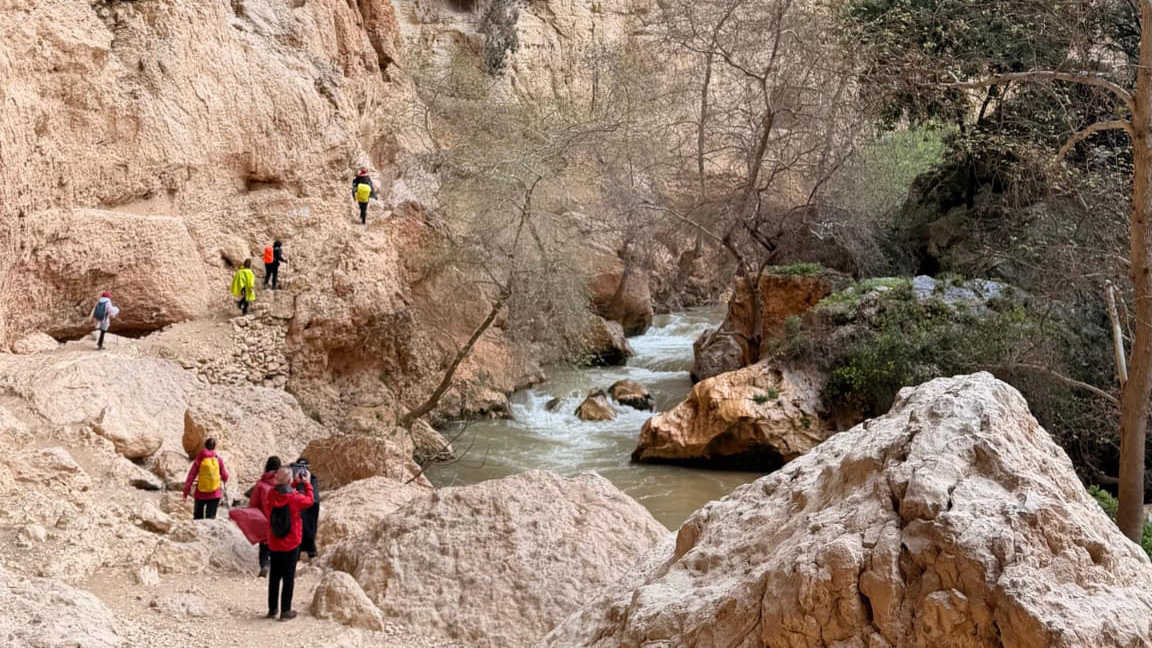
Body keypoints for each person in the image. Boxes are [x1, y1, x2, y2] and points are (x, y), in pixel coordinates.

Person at [263, 466, 314, 621]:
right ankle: (286, 611)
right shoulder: (295, 498)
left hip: (274, 542)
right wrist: (307, 483)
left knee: (274, 577)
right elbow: (310, 501)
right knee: (288, 576)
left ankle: (272, 609)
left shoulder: (270, 494)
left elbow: (281, 495)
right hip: (291, 542)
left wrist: (291, 484)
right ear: (290, 480)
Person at [247, 456, 282, 577]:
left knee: (264, 546)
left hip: (264, 519)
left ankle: (264, 565)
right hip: (280, 520)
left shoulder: (261, 484)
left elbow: (253, 503)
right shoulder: (284, 481)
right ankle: (275, 567)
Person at [183, 438, 229, 519]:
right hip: (215, 494)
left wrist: (185, 493)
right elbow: (225, 476)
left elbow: (191, 476)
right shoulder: (218, 459)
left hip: (200, 494)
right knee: (210, 519)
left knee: (197, 518)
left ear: (204, 446)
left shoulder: (199, 459)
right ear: (214, 447)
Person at [291, 457, 320, 560]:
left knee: (303, 535)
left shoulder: (311, 478)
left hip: (306, 511)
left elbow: (314, 500)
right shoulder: (309, 478)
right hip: (302, 511)